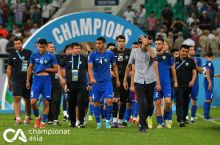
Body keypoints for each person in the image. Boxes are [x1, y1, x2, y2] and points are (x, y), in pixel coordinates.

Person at [123, 35, 160, 133]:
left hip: (150, 80)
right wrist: (125, 80)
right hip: (138, 80)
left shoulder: (152, 50)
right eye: (146, 42)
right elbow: (129, 65)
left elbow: (154, 57)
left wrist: (147, 45)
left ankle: (142, 118)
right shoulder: (134, 52)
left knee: (150, 105)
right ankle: (142, 126)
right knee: (142, 102)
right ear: (140, 43)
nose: (149, 44)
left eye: (149, 42)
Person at [88, 37, 120, 129]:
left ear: (104, 44)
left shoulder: (110, 54)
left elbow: (114, 66)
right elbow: (89, 68)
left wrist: (117, 79)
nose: (98, 45)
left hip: (107, 82)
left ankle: (107, 121)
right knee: (96, 103)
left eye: (100, 43)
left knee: (109, 101)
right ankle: (98, 123)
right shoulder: (92, 54)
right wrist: (92, 78)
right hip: (96, 83)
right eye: (97, 43)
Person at [26, 38, 58, 129]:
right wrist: (27, 81)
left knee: (46, 102)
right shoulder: (34, 55)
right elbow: (30, 68)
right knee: (32, 102)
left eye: (43, 47)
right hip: (36, 80)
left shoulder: (51, 56)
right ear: (37, 46)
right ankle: (37, 117)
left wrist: (45, 69)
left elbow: (56, 69)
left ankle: (43, 121)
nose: (41, 49)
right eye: (39, 47)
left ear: (46, 46)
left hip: (46, 80)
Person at [61, 43, 88, 128]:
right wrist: (62, 78)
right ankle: (72, 122)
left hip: (81, 85)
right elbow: (58, 67)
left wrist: (90, 83)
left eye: (79, 48)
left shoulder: (84, 58)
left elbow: (89, 70)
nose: (78, 50)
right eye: (76, 48)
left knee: (81, 102)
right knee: (71, 104)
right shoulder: (67, 58)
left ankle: (81, 121)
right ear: (72, 49)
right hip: (70, 85)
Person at [7, 37, 32, 125]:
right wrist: (8, 82)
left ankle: (27, 117)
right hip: (16, 80)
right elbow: (9, 69)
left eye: (19, 43)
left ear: (22, 43)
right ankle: (18, 118)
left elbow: (32, 66)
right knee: (17, 98)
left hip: (27, 80)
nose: (17, 45)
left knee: (28, 100)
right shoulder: (12, 54)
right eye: (15, 44)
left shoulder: (29, 53)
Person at [154, 38, 178, 129]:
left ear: (163, 45)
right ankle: (160, 123)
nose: (157, 46)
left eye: (159, 44)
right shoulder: (153, 56)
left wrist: (175, 81)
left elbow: (173, 69)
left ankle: (166, 118)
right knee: (158, 102)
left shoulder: (169, 56)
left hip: (167, 83)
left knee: (168, 102)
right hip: (156, 83)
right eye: (156, 44)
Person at [111, 35, 131, 128]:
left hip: (126, 79)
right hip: (115, 78)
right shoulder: (112, 52)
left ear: (125, 42)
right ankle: (114, 121)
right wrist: (112, 73)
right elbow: (108, 66)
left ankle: (120, 121)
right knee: (115, 99)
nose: (121, 43)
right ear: (116, 42)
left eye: (123, 41)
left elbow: (132, 65)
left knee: (123, 100)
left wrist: (130, 73)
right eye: (119, 41)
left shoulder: (129, 52)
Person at [174, 44, 196, 127]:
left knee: (186, 103)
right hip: (178, 86)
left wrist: (193, 80)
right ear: (180, 51)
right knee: (179, 103)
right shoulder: (174, 60)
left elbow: (194, 72)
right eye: (183, 51)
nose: (184, 53)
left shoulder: (191, 61)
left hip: (188, 86)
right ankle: (180, 121)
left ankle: (183, 118)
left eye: (186, 52)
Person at [47, 42, 64, 126]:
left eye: (53, 47)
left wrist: (61, 79)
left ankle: (55, 119)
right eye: (51, 47)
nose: (53, 48)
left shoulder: (57, 57)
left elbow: (59, 68)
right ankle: (49, 119)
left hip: (56, 81)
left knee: (56, 100)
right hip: (46, 82)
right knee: (48, 101)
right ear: (46, 48)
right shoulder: (43, 57)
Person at [188, 45, 203, 123]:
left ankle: (193, 118)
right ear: (188, 51)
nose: (193, 51)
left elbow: (201, 71)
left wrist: (195, 64)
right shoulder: (184, 60)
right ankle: (186, 117)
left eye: (194, 50)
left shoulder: (198, 59)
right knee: (185, 100)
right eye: (191, 50)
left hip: (195, 84)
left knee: (194, 101)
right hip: (185, 83)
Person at [203, 51, 214, 120]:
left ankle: (207, 116)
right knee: (208, 99)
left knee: (209, 99)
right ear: (212, 56)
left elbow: (209, 74)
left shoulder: (205, 63)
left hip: (207, 81)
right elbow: (207, 72)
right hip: (208, 82)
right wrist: (210, 82)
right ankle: (206, 116)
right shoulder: (209, 62)